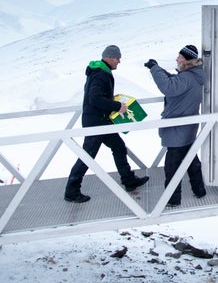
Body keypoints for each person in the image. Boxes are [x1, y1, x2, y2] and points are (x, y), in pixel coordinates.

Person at [64, 45, 149, 203]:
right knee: (87, 156)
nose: (119, 61)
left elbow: (97, 95)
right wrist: (117, 106)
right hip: (96, 123)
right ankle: (71, 191)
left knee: (118, 147)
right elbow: (94, 98)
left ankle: (129, 180)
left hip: (101, 120)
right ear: (109, 58)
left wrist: (110, 98)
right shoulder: (101, 74)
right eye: (117, 58)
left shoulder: (98, 71)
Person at [144, 45, 207, 206]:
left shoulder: (186, 78)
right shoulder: (192, 76)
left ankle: (172, 200)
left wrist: (155, 69)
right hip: (186, 128)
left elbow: (169, 87)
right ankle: (199, 190)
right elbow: (174, 80)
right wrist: (159, 69)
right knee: (191, 160)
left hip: (177, 128)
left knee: (172, 166)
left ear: (186, 60)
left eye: (180, 57)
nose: (177, 59)